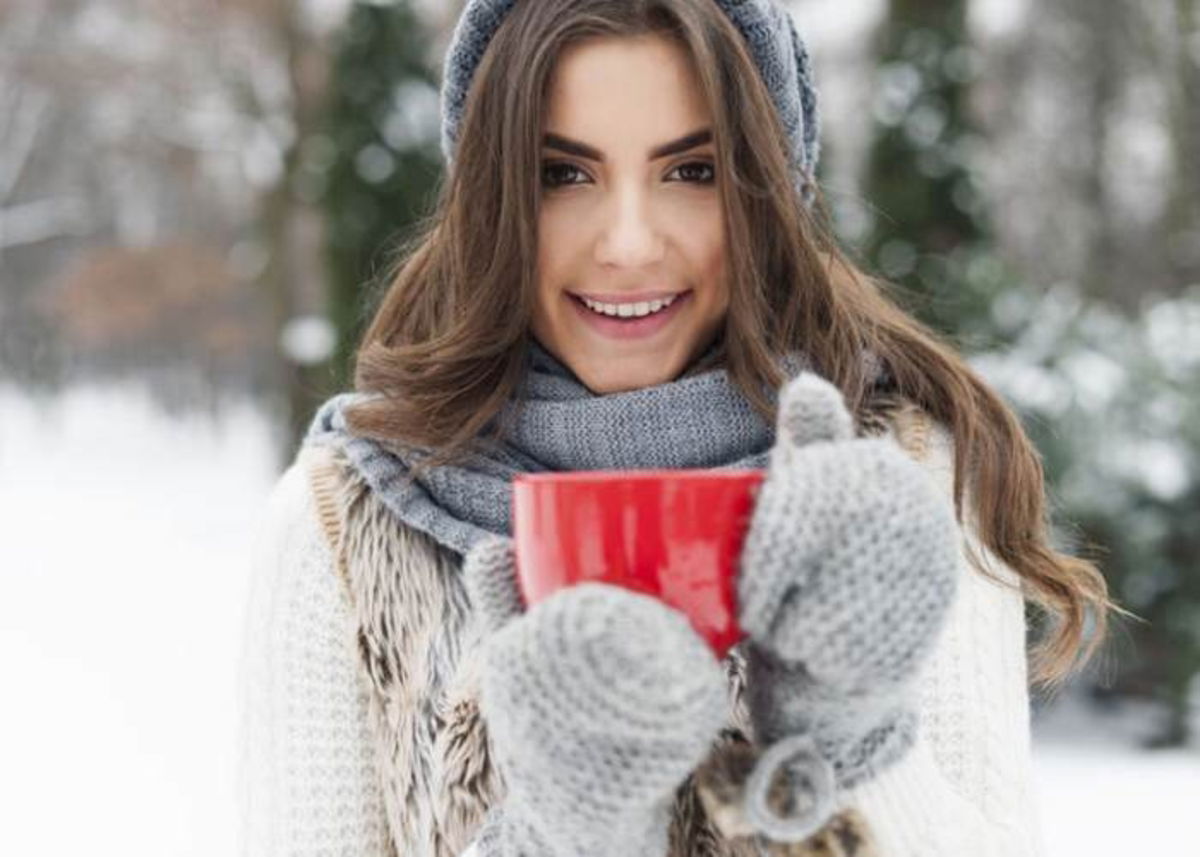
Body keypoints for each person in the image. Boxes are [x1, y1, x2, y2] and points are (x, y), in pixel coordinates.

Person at [237, 1, 1126, 855]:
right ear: (490, 199)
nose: (628, 243)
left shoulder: (906, 479)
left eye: (692, 171)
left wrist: (847, 741)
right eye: (563, 173)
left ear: (773, 191)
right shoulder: (345, 525)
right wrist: (561, 834)